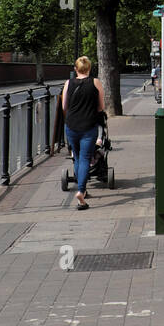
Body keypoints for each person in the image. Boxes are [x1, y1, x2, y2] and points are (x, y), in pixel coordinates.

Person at [61, 56, 105, 210]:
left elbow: (64, 106)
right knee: (86, 158)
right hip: (88, 125)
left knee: (77, 157)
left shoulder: (68, 83)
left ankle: (83, 191)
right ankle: (81, 191)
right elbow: (101, 107)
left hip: (72, 126)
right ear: (89, 69)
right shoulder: (95, 82)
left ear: (76, 69)